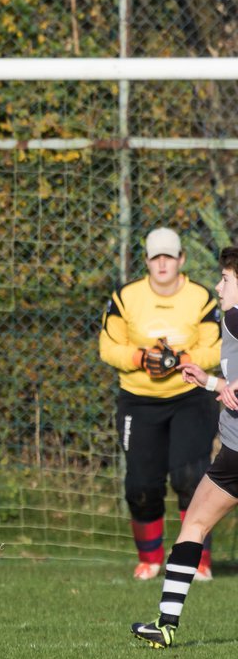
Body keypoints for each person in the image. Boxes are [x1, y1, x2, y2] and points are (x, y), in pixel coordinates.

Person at [100, 227, 222, 581]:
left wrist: (183, 358)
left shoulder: (201, 298)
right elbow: (108, 347)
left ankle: (197, 560)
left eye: (170, 256)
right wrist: (141, 357)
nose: (163, 263)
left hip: (190, 398)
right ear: (147, 262)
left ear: (182, 259)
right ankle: (150, 559)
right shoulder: (125, 297)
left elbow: (215, 347)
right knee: (141, 485)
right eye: (156, 257)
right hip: (139, 401)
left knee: (190, 477)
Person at [132, 246, 238, 647]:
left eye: (226, 279)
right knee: (193, 524)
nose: (218, 285)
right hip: (233, 455)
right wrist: (209, 381)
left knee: (193, 526)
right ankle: (164, 626)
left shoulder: (233, 316)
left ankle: (166, 625)